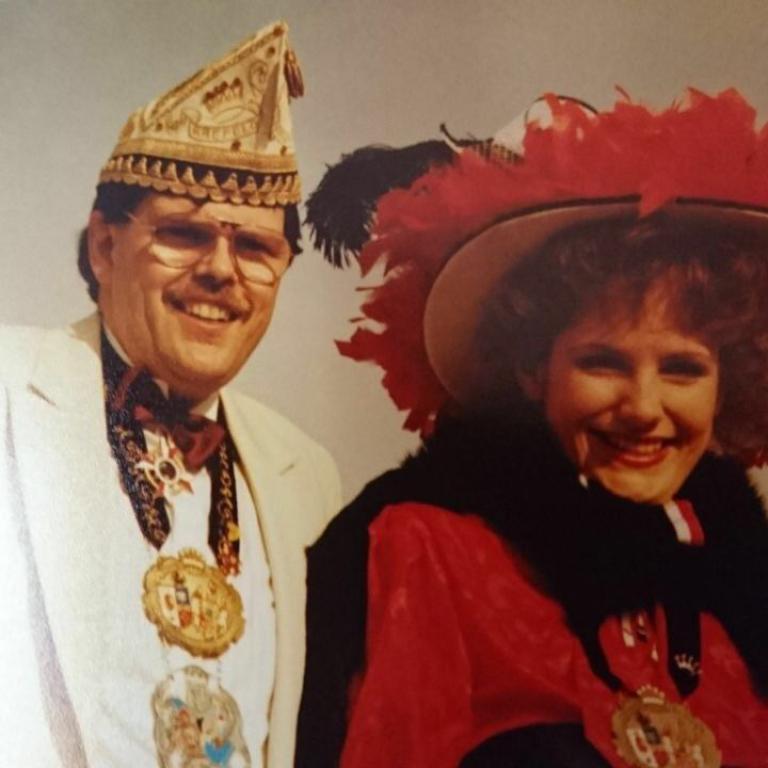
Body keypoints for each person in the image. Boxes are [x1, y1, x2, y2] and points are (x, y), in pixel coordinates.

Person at [295, 91, 768, 767]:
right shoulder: (428, 552)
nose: (644, 406)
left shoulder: (735, 574)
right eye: (602, 363)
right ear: (530, 368)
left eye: (683, 369)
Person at [0, 21, 340, 768]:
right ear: (104, 245)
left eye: (255, 248)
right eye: (185, 235)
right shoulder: (7, 396)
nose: (221, 270)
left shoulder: (308, 476)